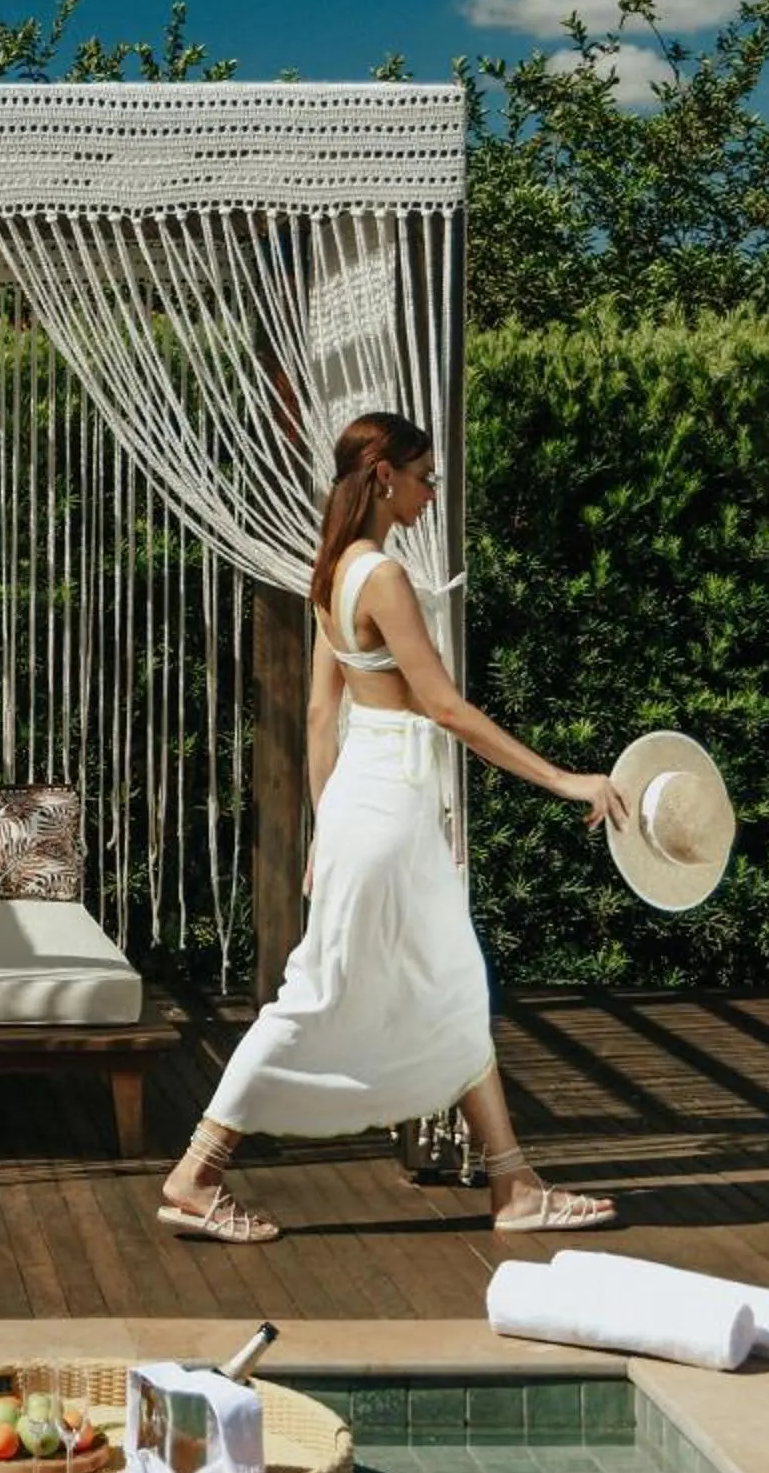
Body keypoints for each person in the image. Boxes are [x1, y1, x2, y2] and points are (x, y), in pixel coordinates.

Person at [158, 409, 628, 1244]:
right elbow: (445, 707)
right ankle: (197, 1171)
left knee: (449, 983)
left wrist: (323, 830)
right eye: (423, 476)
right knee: (321, 993)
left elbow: (317, 716)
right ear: (384, 477)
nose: (430, 491)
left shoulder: (333, 571)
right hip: (385, 811)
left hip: (371, 812)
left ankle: (513, 1183)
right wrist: (566, 780)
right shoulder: (380, 578)